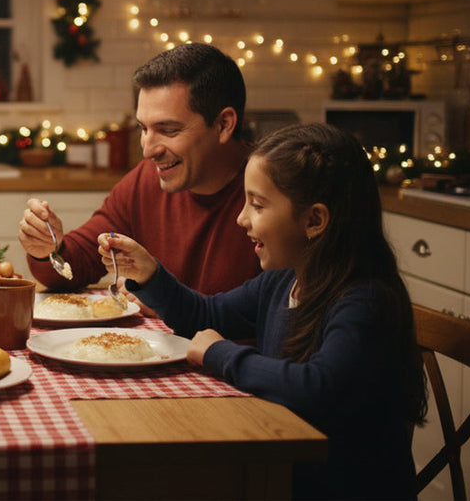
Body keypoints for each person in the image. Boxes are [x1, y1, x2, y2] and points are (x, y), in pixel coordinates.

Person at [100, 123, 426, 499]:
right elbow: (207, 315)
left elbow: (317, 389)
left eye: (257, 204)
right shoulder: (283, 281)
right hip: (282, 476)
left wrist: (221, 354)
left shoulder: (364, 301)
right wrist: (152, 274)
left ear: (315, 220)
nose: (242, 218)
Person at [19, 42, 260, 301]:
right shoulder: (148, 179)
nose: (148, 151)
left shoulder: (272, 193)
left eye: (168, 130)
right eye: (144, 129)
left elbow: (273, 322)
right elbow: (78, 263)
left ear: (224, 124)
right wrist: (47, 250)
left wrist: (165, 301)